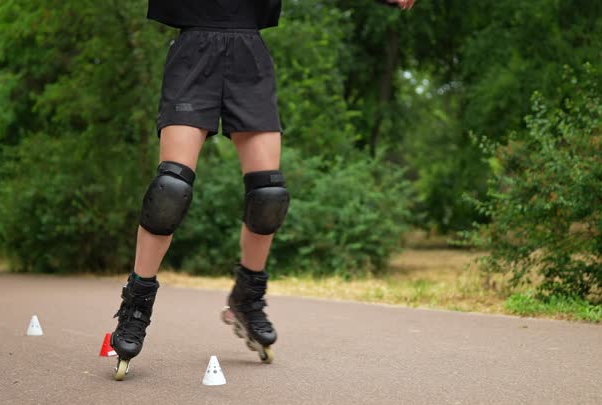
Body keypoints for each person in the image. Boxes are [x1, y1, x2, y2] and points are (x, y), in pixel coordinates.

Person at [110, 0, 416, 380]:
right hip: (194, 51)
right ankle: (136, 305)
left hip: (247, 55)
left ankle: (247, 297)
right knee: (169, 190)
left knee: (268, 194)